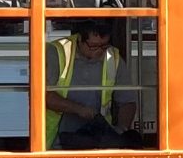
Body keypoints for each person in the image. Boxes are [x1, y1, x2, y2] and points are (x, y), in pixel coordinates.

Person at [45, 20, 138, 150]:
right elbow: (45, 96)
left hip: (98, 141)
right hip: (56, 142)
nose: (100, 51)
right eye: (94, 46)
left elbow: (127, 101)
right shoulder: (56, 52)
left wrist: (121, 131)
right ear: (80, 39)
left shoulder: (113, 58)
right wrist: (79, 109)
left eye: (104, 46)